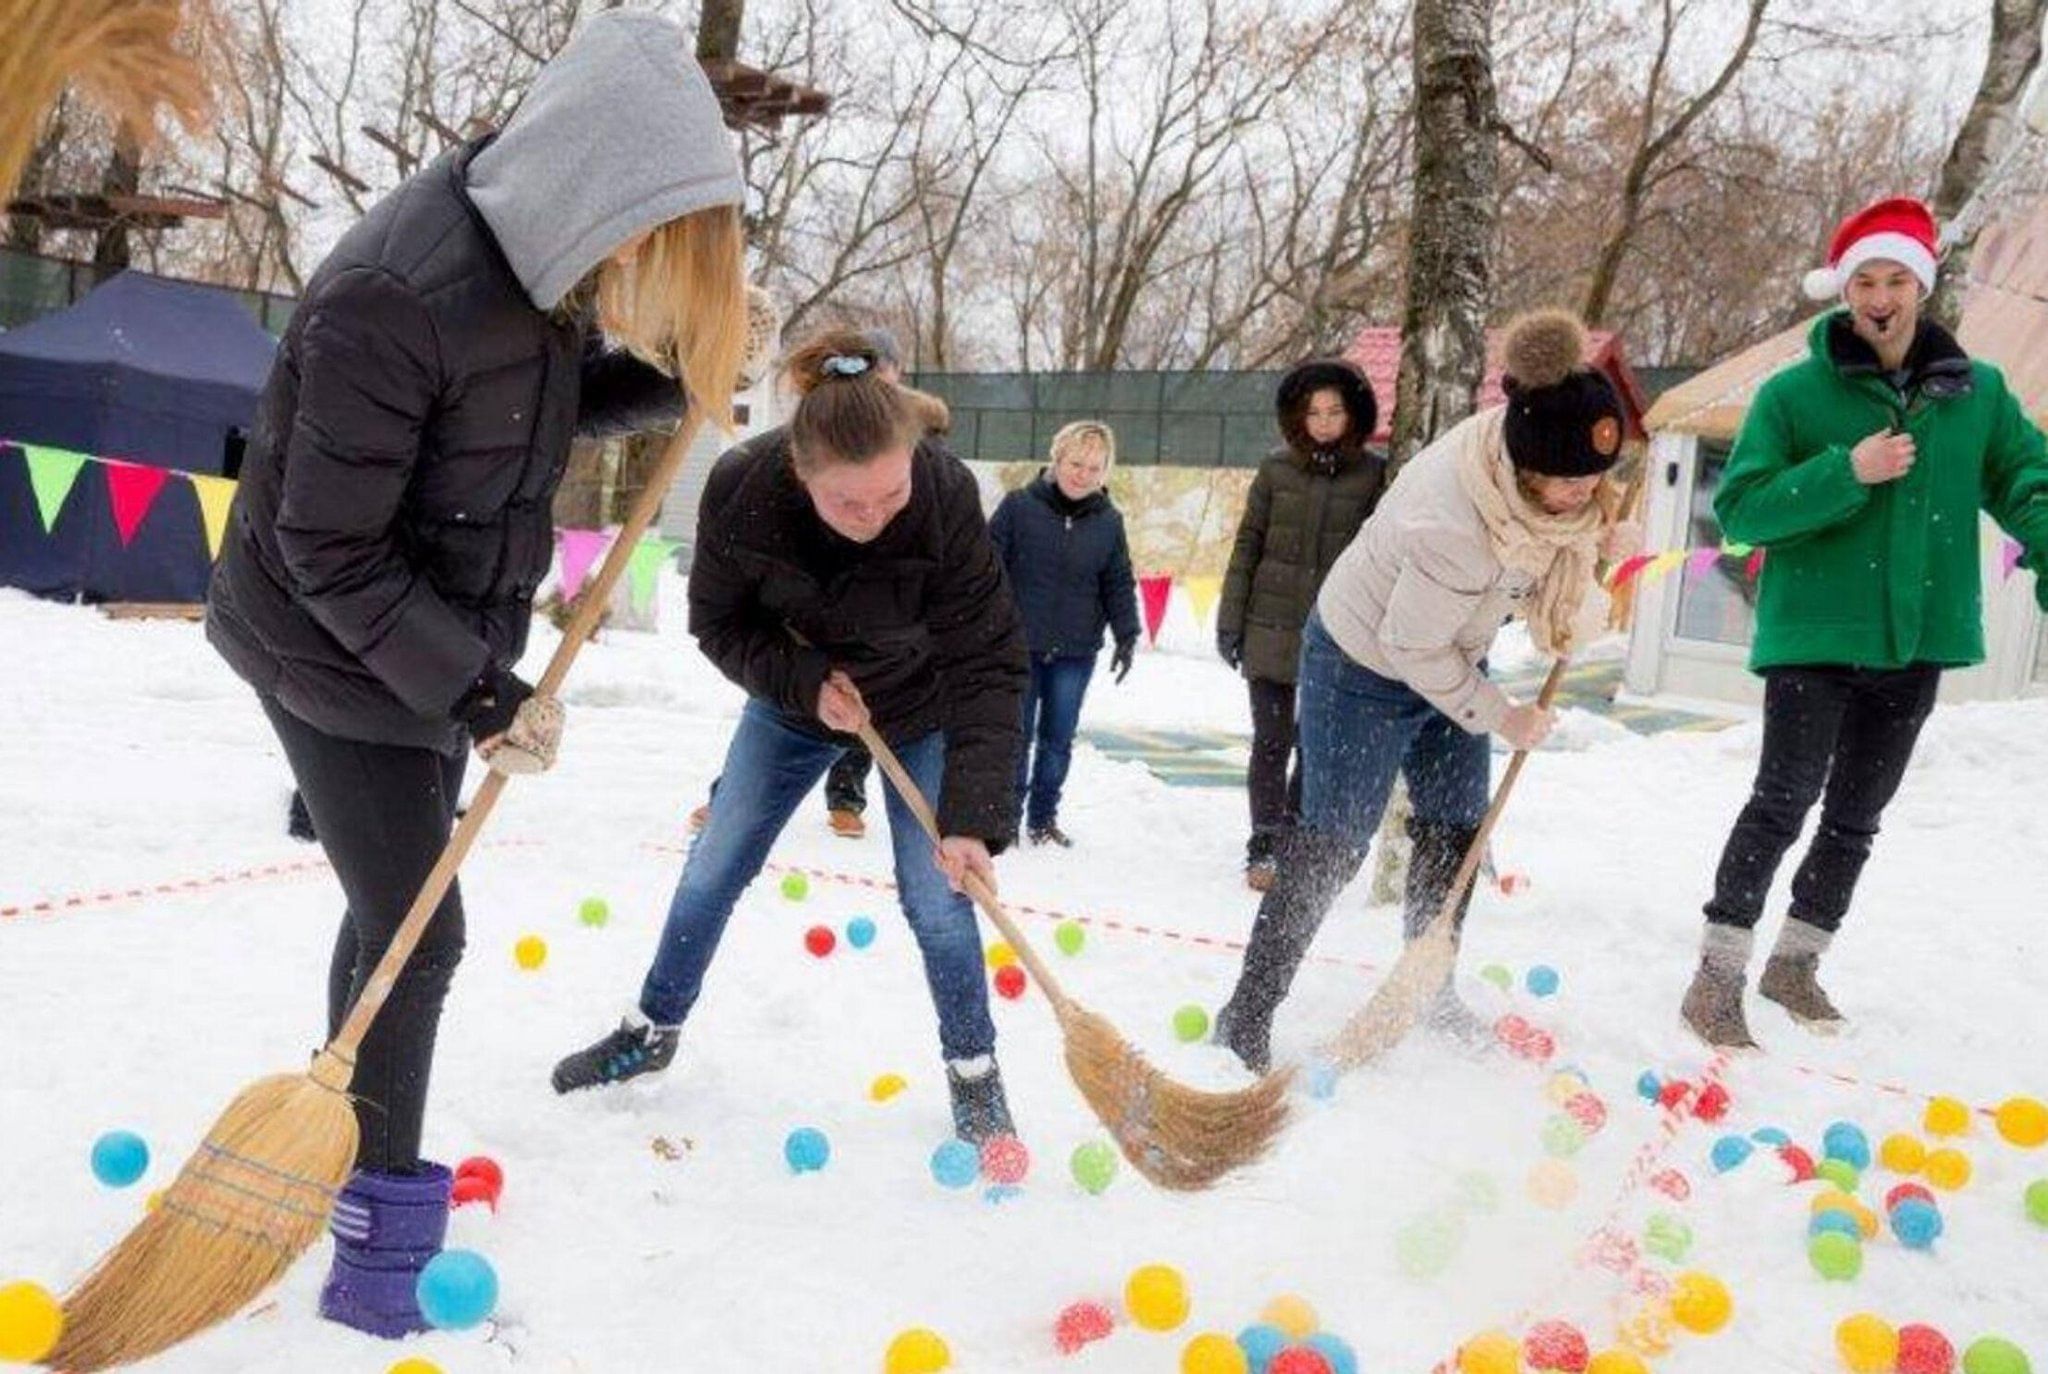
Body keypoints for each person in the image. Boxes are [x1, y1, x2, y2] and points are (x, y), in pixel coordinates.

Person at [204, 13, 750, 1339]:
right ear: (598, 183)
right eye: (651, 233)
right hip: (323, 642)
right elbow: (323, 543)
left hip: (428, 636)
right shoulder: (399, 291)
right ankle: (378, 1232)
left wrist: (674, 384)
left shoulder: (536, 257)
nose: (643, 262)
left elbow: (525, 405)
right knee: (420, 931)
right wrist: (477, 691)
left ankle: (348, 1122)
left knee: (390, 909)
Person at [553, 328, 1029, 1146]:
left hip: (921, 706)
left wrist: (973, 817)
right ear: (800, 471)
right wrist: (805, 685)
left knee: (941, 896)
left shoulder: (945, 494)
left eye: (891, 496)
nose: (875, 518)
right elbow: (719, 623)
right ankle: (651, 1029)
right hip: (795, 696)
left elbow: (988, 656)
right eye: (850, 503)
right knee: (717, 861)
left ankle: (975, 1072)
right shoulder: (743, 488)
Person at [1211, 311, 1641, 1073]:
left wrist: (1603, 558)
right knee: (1333, 841)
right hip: (1364, 664)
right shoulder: (1453, 516)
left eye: (1593, 479)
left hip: (1452, 653)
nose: (1585, 493)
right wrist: (1501, 714)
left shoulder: (1553, 486)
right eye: (1570, 482)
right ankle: (1247, 1012)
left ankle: (1428, 985)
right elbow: (1412, 647)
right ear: (1525, 462)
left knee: (1456, 826)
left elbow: (1558, 597)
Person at [1680, 197, 2048, 1050]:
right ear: (1844, 292)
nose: (1880, 296)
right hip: (1817, 637)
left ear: (1920, 286)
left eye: (1895, 279)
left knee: (1857, 815)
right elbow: (1741, 509)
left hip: (1918, 640)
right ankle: (1716, 977)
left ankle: (1796, 965)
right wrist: (1847, 469)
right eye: (1864, 282)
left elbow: (2029, 481)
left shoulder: (1978, 393)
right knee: (1782, 803)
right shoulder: (1793, 394)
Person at [683, 327, 946, 840]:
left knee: (864, 729)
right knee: (763, 751)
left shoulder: (928, 476)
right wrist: (803, 677)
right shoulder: (762, 479)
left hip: (896, 672)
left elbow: (973, 623)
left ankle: (847, 796)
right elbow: (724, 621)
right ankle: (729, 795)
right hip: (800, 663)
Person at [1218, 359, 1387, 890]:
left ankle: (1293, 837)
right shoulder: (1275, 470)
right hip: (1268, 626)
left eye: (1334, 410)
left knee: (1314, 745)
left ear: (1352, 414)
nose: (1323, 421)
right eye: (1313, 411)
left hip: (1335, 637)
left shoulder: (1374, 474)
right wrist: (1231, 618)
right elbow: (1249, 544)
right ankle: (1263, 841)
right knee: (1271, 740)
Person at [987, 420, 1140, 846]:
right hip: (1018, 645)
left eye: (1094, 468)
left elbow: (1117, 581)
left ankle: (1042, 818)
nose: (1083, 475)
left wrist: (1127, 633)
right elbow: (987, 566)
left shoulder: (1109, 522)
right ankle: (1006, 818)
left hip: (1075, 651)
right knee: (1015, 736)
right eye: (1076, 463)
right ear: (1056, 459)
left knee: (1057, 740)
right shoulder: (1019, 507)